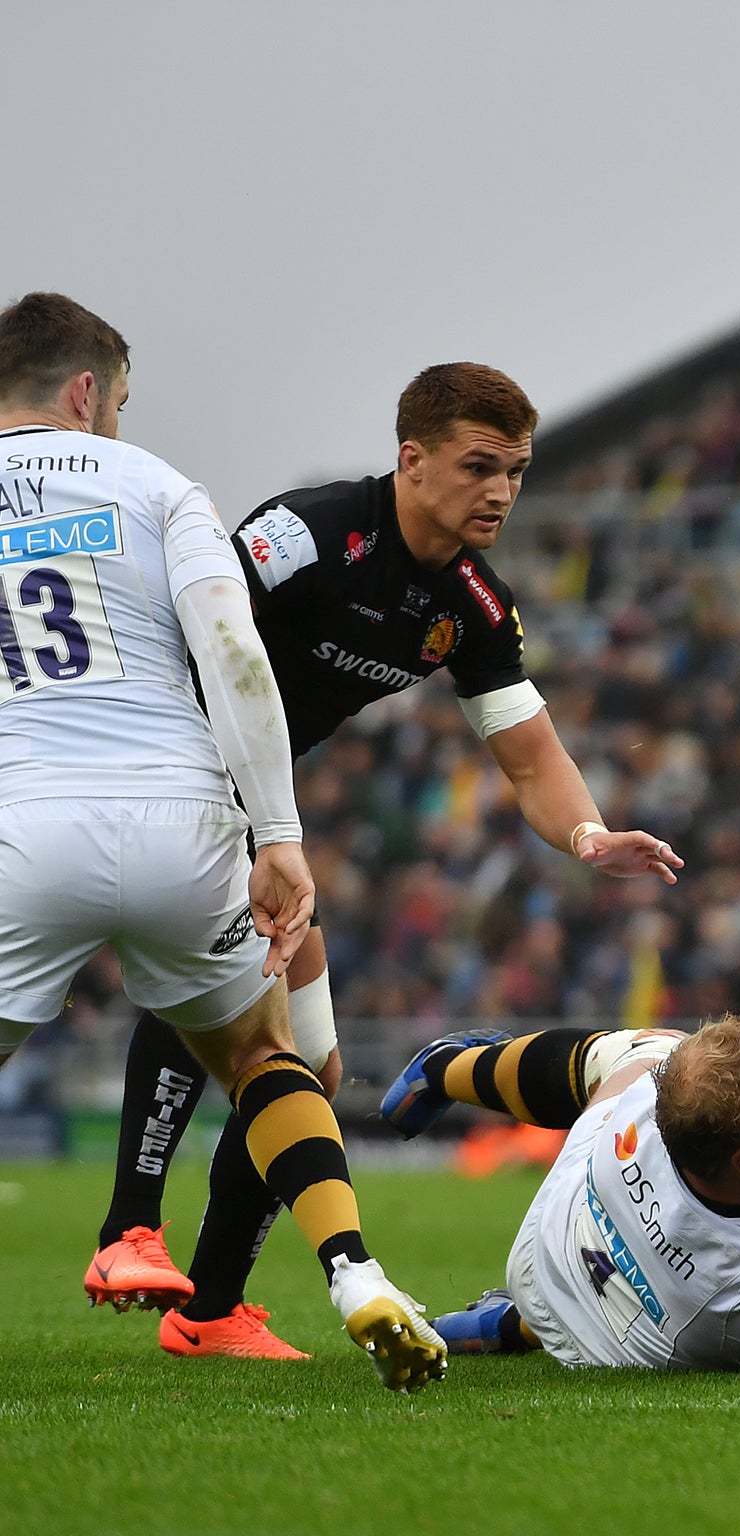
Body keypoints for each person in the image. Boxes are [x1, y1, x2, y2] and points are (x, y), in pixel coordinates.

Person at [81, 362, 683, 1361]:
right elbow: (181, 631)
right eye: (478, 465)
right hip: (160, 779)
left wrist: (586, 835)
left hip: (246, 809)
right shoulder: (307, 535)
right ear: (412, 459)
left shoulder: (473, 606)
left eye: (517, 472)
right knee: (232, 1001)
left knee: (305, 1066)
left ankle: (209, 1310)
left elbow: (530, 756)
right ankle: (135, 1230)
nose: (499, 490)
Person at [0, 292, 440, 1390]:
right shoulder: (156, 485)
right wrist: (277, 836)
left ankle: (153, 1235)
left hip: (24, 816)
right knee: (261, 1058)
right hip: (180, 817)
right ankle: (353, 1272)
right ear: (89, 393)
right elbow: (237, 659)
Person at [389, 1013, 740, 1373]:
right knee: (663, 1046)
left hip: (552, 1240)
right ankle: (510, 1324)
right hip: (605, 1348)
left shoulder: (670, 1099)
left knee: (651, 1049)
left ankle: (442, 1068)